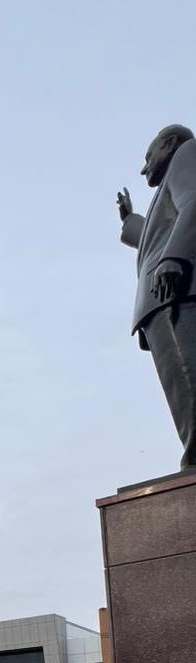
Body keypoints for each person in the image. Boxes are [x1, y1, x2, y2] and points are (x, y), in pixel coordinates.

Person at [117, 124, 196, 470]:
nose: (144, 167)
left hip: (176, 290)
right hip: (163, 295)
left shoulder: (186, 154)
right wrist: (130, 220)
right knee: (181, 389)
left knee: (189, 378)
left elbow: (194, 202)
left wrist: (173, 258)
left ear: (170, 143)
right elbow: (156, 236)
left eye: (149, 156)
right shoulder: (168, 183)